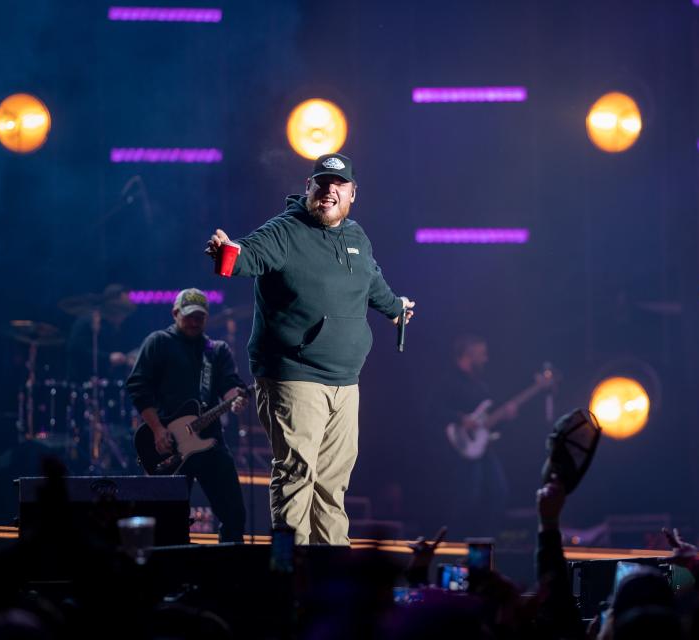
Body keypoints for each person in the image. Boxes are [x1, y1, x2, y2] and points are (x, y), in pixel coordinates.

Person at [205, 152, 415, 545]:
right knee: (297, 474)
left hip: (345, 381)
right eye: (321, 184)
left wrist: (396, 309)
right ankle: (291, 577)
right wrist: (226, 255)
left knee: (332, 485)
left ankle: (330, 579)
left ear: (353, 193)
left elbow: (372, 284)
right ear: (308, 189)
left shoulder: (356, 237)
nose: (329, 191)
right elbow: (245, 254)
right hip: (293, 375)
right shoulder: (285, 231)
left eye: (338, 185)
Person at [126, 288, 248, 542]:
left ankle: (228, 574)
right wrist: (158, 430)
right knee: (169, 522)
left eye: (199, 317)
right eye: (189, 316)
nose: (194, 322)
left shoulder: (216, 350)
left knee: (234, 514)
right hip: (168, 444)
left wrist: (234, 400)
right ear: (175, 313)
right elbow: (138, 386)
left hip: (210, 441)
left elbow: (229, 385)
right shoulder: (159, 342)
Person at [432, 335, 512, 537]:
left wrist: (505, 415)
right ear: (469, 355)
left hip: (482, 446)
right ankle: (456, 542)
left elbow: (485, 422)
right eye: (481, 354)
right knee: (467, 498)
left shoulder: (481, 386)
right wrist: (460, 418)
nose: (485, 359)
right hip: (458, 449)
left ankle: (487, 540)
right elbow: (433, 410)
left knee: (498, 491)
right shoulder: (448, 381)